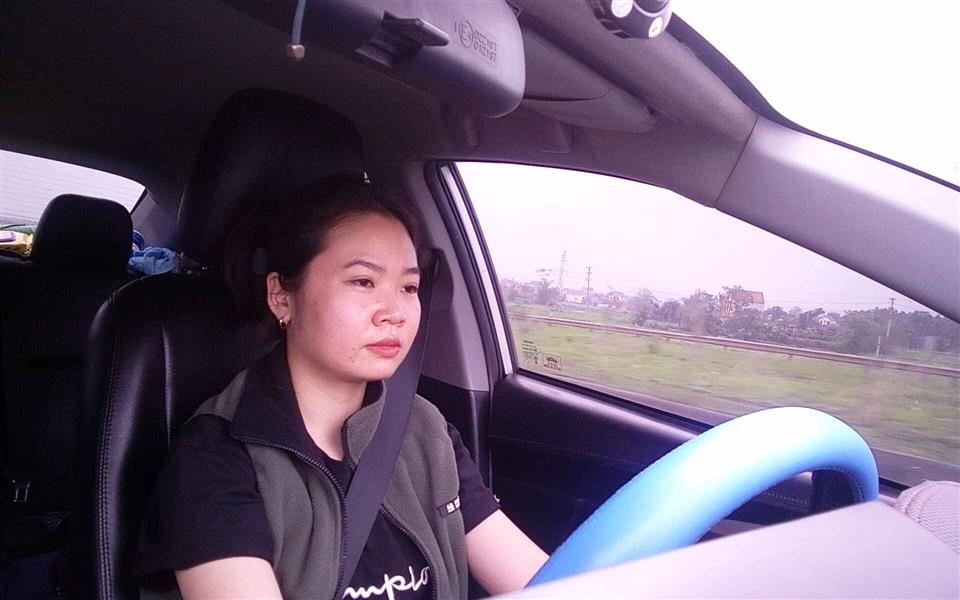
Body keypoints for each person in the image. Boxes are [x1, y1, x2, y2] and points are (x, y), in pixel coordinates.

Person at [134, 175, 548, 599]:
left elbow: (543, 586)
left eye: (409, 287)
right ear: (281, 296)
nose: (395, 312)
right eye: (363, 281)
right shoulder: (217, 458)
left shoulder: (426, 431)